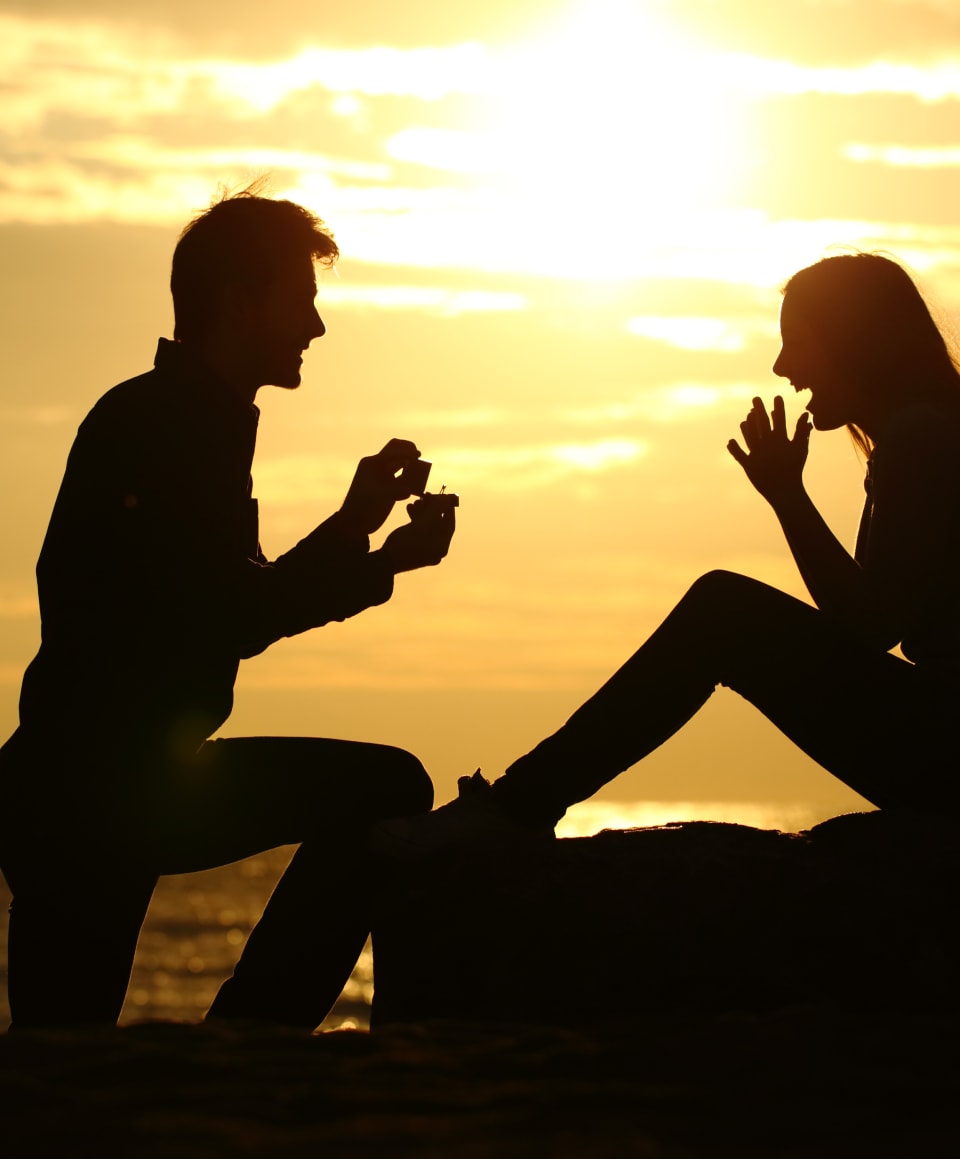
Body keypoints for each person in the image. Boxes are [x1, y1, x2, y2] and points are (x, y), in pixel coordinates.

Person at [0, 186, 456, 1028]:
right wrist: (376, 556)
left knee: (59, 1056)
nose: (315, 327)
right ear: (239, 301)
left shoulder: (185, 420)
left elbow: (233, 596)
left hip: (109, 785)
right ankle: (250, 1040)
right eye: (302, 301)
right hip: (99, 793)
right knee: (387, 784)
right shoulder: (167, 425)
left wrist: (360, 529)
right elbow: (239, 613)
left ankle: (244, 1041)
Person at [377, 252, 960, 850]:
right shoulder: (922, 430)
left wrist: (788, 498)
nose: (783, 365)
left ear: (852, 342)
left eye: (796, 342)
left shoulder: (924, 434)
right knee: (723, 610)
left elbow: (869, 624)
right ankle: (520, 802)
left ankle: (516, 808)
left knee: (723, 611)